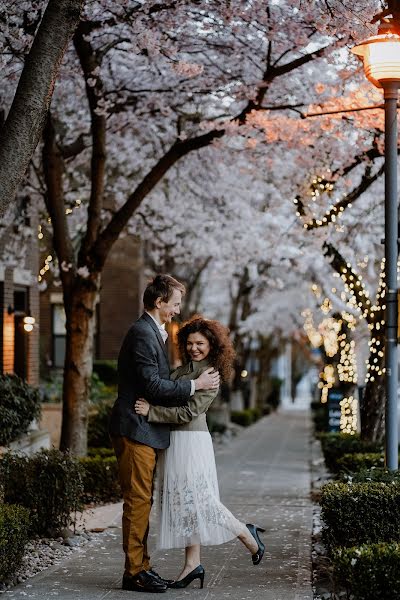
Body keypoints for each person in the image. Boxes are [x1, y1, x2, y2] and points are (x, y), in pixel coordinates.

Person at [134, 316, 265, 589]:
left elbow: (189, 412)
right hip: (174, 442)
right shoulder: (182, 371)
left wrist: (152, 412)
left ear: (212, 345)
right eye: (190, 343)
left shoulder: (211, 374)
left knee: (202, 500)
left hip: (192, 442)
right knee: (184, 502)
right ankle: (193, 564)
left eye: (201, 344)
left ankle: (246, 533)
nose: (194, 348)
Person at [109, 276, 220, 594]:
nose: (177, 310)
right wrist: (194, 385)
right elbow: (154, 385)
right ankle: (134, 572)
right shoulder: (143, 333)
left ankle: (141, 566)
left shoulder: (154, 332)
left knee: (143, 500)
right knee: (138, 500)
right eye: (175, 304)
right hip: (134, 426)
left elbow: (158, 381)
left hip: (144, 428)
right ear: (159, 303)